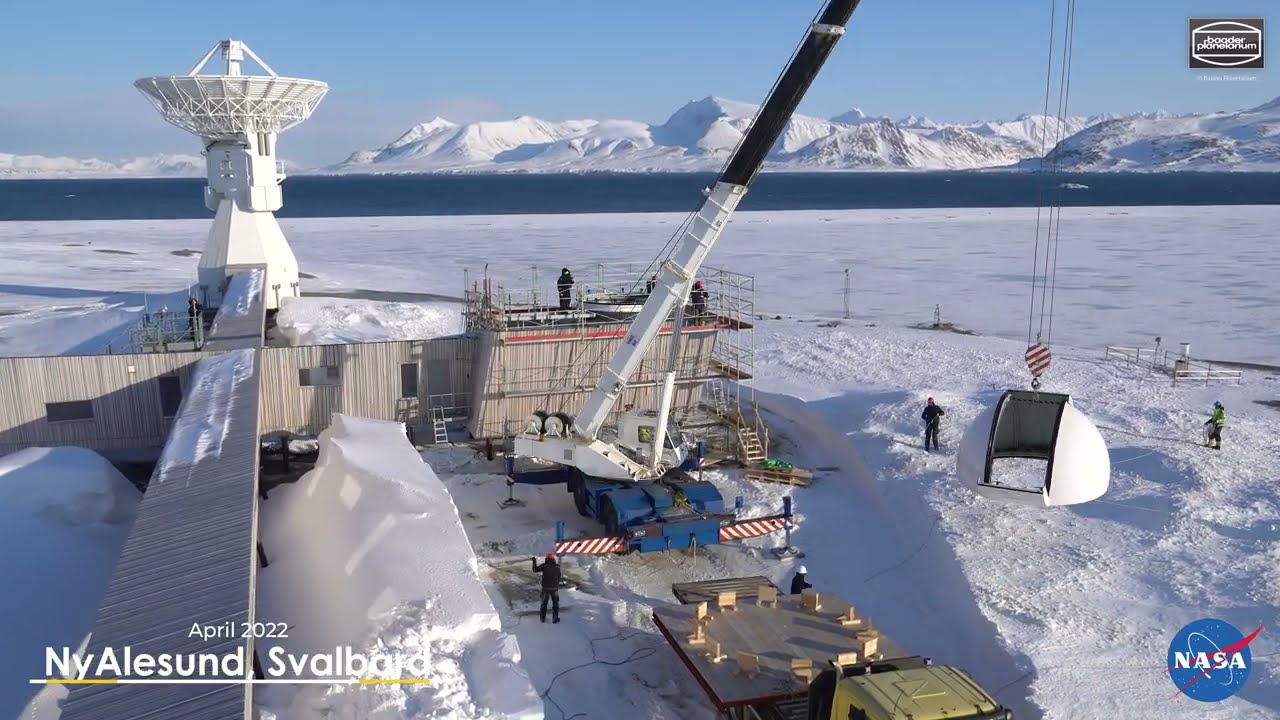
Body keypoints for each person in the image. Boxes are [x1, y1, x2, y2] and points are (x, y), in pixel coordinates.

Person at [532, 552, 562, 623]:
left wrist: (534, 561)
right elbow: (559, 576)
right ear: (553, 559)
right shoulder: (557, 566)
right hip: (555, 588)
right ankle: (555, 618)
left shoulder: (544, 565)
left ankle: (542, 619)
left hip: (545, 588)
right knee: (555, 603)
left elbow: (535, 570)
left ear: (547, 559)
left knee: (544, 603)